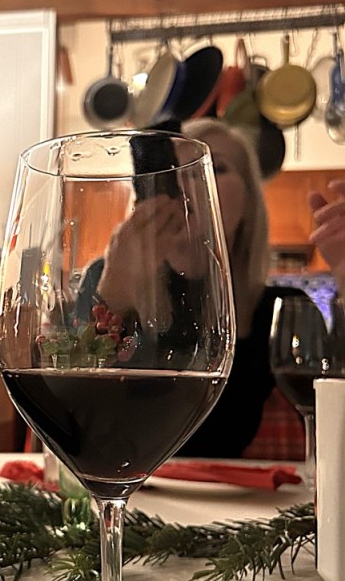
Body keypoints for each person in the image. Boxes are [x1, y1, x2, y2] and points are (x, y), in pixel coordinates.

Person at [77, 118, 301, 458]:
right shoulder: (103, 278)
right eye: (173, 170)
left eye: (215, 167)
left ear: (248, 201)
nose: (187, 179)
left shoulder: (282, 310)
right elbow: (78, 409)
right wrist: (115, 292)